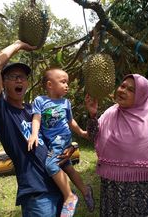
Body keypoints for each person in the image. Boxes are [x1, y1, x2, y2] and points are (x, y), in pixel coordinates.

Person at [0, 40, 77, 217]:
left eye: (23, 77)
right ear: (3, 83)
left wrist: (69, 149)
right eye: (13, 77)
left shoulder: (33, 110)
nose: (19, 79)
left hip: (59, 185)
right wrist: (19, 44)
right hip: (37, 193)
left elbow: (55, 135)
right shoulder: (2, 111)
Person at [85, 74, 148, 217]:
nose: (123, 91)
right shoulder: (111, 113)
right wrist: (93, 115)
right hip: (111, 192)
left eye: (131, 90)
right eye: (122, 86)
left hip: (138, 197)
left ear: (141, 96)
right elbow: (93, 136)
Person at [28, 68, 95, 217]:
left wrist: (82, 133)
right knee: (67, 167)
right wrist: (34, 134)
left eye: (67, 82)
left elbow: (70, 121)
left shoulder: (66, 102)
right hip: (52, 141)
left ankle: (69, 196)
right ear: (50, 84)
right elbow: (36, 118)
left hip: (62, 138)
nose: (67, 85)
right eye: (63, 82)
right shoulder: (40, 101)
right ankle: (86, 190)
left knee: (51, 165)